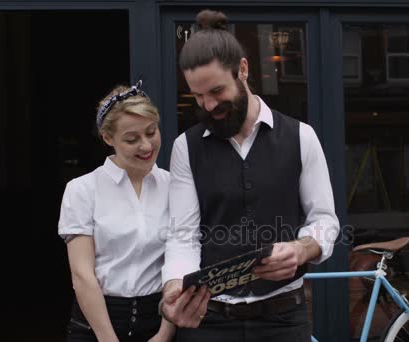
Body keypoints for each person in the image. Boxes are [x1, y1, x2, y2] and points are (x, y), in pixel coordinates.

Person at [159, 10, 340, 342]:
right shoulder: (185, 147)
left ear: (242, 69)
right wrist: (174, 284)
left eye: (216, 92)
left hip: (284, 320)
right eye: (198, 97)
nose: (208, 106)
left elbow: (325, 220)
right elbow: (183, 235)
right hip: (209, 322)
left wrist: (302, 249)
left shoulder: (302, 137)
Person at [58, 81, 175, 342]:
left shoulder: (174, 186)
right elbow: (82, 274)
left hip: (159, 320)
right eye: (132, 139)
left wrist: (166, 333)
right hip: (95, 323)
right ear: (107, 138)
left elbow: (179, 265)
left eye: (152, 132)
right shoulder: (82, 190)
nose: (146, 146)